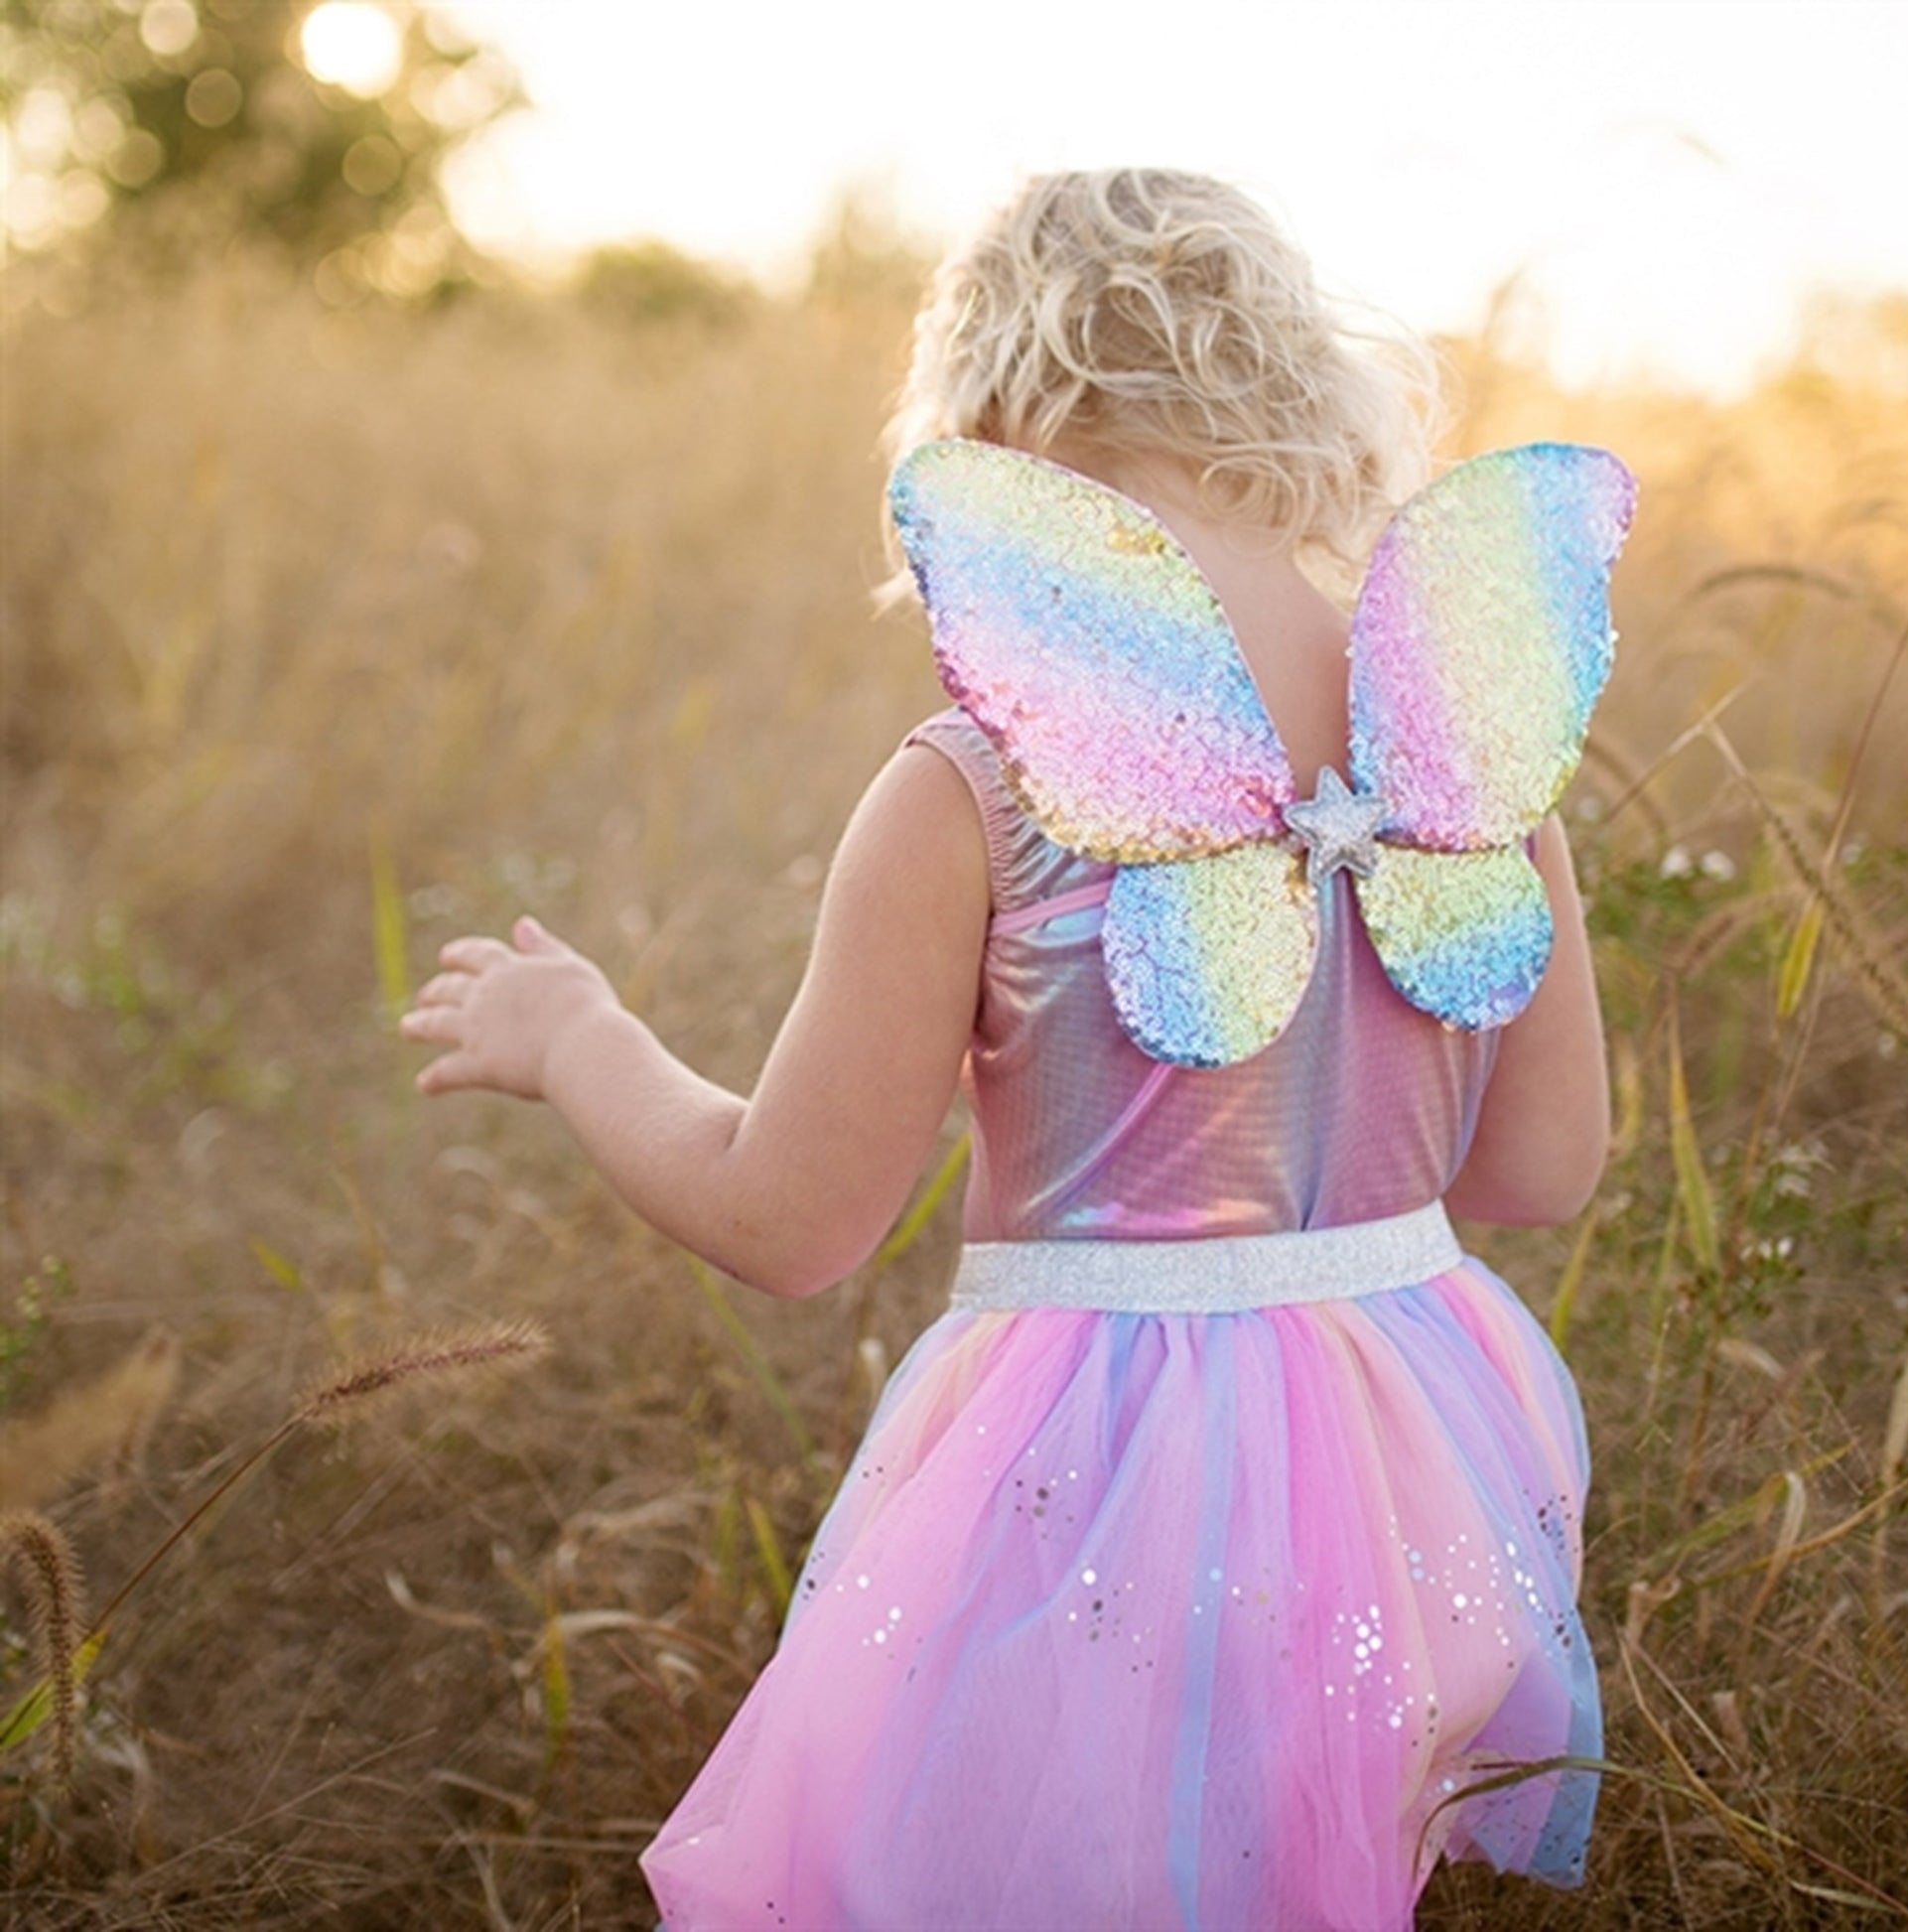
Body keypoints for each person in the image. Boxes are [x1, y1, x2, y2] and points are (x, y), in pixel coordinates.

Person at [402, 169, 1616, 1932]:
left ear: (987, 421)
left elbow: (795, 1221)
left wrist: (577, 1037)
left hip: (1094, 1466)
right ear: (1298, 391)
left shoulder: (976, 781)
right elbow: (1538, 1171)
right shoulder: (1476, 760)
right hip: (1402, 1454)